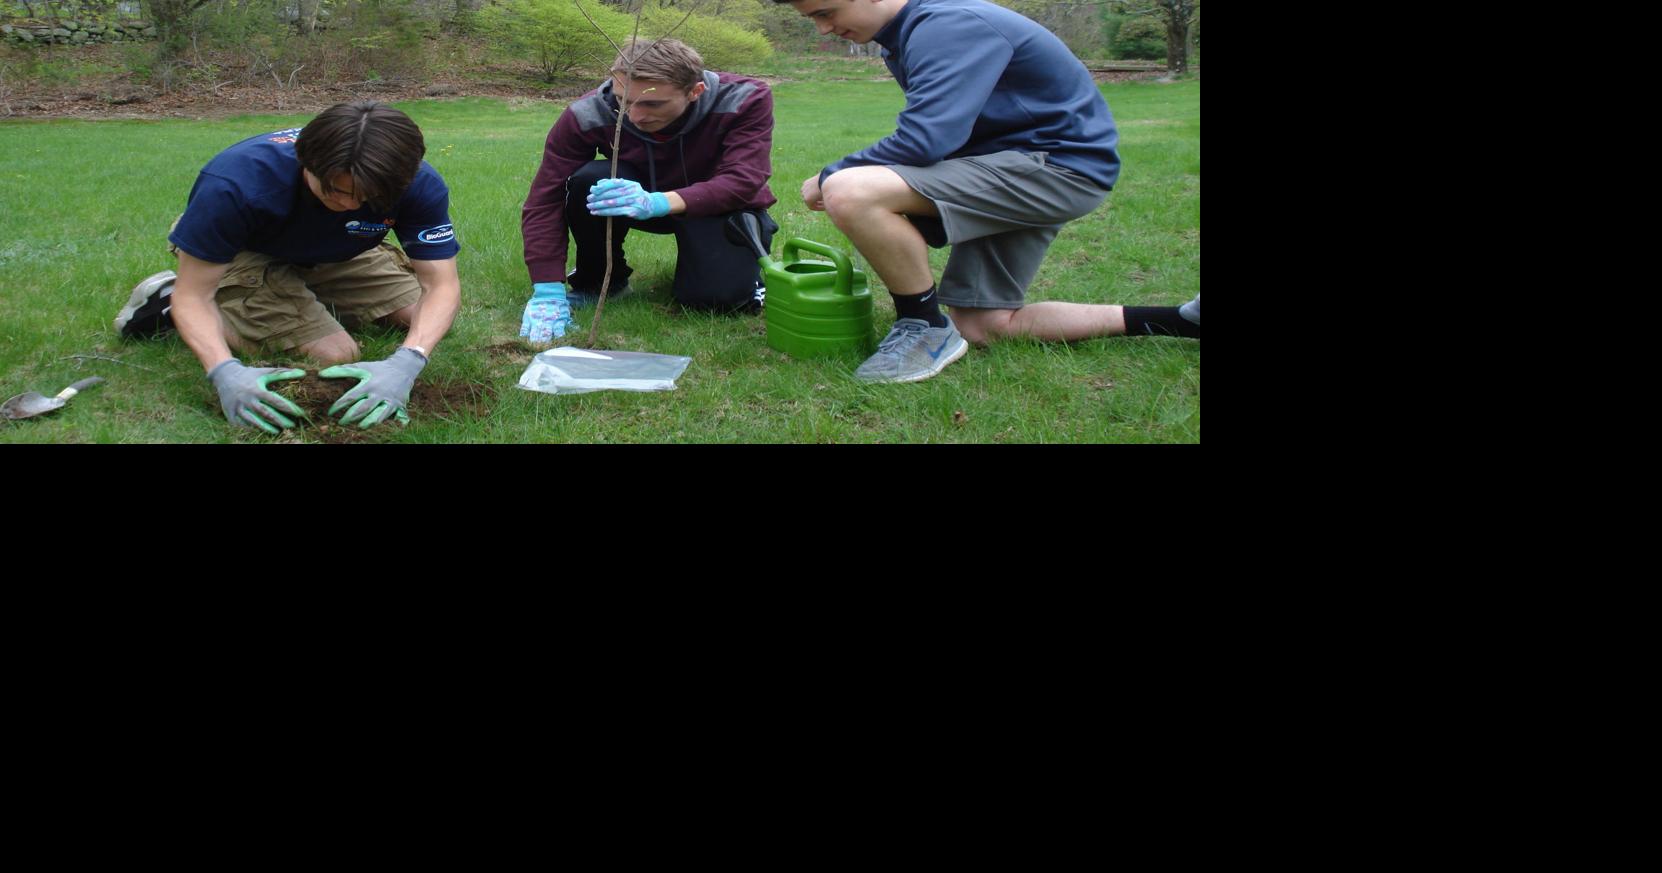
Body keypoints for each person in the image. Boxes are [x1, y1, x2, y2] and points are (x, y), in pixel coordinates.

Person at [779, 0, 1198, 384]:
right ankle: (1182, 320)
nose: (823, 29)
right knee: (983, 325)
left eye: (827, 12)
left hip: (1052, 168)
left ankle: (924, 325)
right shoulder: (907, 35)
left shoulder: (946, 24)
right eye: (813, 18)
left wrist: (832, 173)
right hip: (1019, 166)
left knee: (851, 189)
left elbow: (926, 140)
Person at [113, 101, 462, 433]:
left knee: (423, 318)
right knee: (335, 352)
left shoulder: (415, 182)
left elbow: (440, 287)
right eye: (334, 191)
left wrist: (408, 362)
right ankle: (168, 302)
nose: (349, 203)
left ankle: (291, 294)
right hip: (244, 250)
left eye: (366, 197)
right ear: (305, 162)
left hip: (337, 247)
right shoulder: (236, 183)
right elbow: (195, 296)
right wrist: (224, 373)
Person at [518, 38, 778, 343]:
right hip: (634, 201)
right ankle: (601, 281)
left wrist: (658, 201)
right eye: (623, 100)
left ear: (696, 91)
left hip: (716, 207)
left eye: (653, 103)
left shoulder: (745, 99)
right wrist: (546, 288)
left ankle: (732, 280)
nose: (634, 115)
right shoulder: (587, 113)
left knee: (716, 302)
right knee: (588, 181)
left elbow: (743, 180)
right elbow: (545, 199)